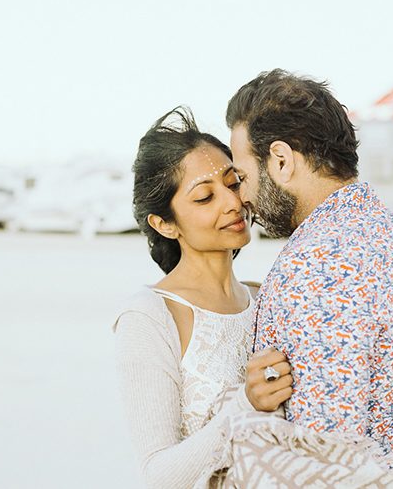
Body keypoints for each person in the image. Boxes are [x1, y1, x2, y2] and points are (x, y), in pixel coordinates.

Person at [226, 69, 393, 488]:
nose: (242, 197)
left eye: (242, 176)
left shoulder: (316, 264)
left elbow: (320, 455)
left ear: (281, 160)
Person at [112, 107, 293, 488]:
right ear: (164, 224)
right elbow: (158, 476)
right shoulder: (150, 317)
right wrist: (245, 404)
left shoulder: (268, 299)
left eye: (234, 182)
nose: (232, 203)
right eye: (204, 198)